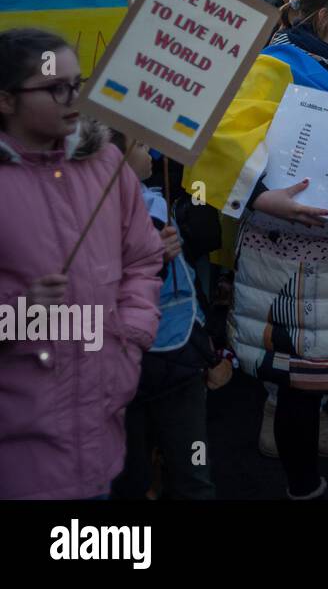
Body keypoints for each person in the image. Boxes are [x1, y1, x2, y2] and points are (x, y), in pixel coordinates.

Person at [185, 0, 328, 499]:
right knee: (300, 389)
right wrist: (262, 194)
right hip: (294, 263)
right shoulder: (275, 65)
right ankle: (302, 490)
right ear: (327, 17)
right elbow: (220, 135)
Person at [0, 29, 163, 499]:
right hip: (18, 446)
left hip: (98, 425)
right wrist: (17, 311)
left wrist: (130, 335)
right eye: (55, 87)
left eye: (78, 83)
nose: (73, 98)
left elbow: (142, 259)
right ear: (6, 100)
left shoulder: (107, 163)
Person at [109, 131, 219, 500]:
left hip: (179, 355)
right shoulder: (96, 218)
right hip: (128, 362)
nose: (150, 151)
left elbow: (188, 280)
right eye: (140, 146)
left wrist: (209, 343)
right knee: (132, 472)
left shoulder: (158, 203)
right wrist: (149, 257)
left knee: (191, 464)